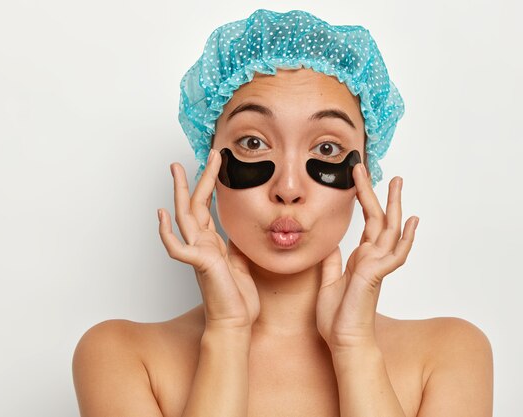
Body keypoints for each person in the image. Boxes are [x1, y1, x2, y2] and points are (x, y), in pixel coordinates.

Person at [72, 9, 493, 417]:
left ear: (365, 170)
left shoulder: (449, 355)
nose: (288, 189)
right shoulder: (121, 357)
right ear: (210, 163)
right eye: (253, 143)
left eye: (327, 149)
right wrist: (227, 333)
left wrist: (354, 348)